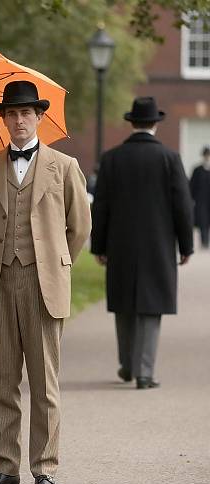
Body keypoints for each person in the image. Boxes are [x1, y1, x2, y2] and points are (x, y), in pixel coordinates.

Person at [0, 81, 91, 484]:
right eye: (11, 113)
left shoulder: (65, 165)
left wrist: (55, 262)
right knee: (3, 383)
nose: (19, 120)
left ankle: (44, 468)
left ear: (39, 117)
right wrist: (2, 255)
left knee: (44, 385)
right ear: (3, 119)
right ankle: (5, 469)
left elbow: (79, 228)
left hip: (44, 283)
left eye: (26, 113)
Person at [91, 96, 194, 390]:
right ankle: (145, 371)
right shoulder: (170, 159)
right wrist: (185, 247)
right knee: (152, 308)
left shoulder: (111, 159)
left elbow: (101, 207)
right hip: (158, 245)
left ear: (131, 122)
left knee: (123, 305)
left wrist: (98, 246)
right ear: (155, 125)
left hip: (120, 244)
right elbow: (182, 207)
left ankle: (127, 364)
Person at [189, 146, 210, 249]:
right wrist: (191, 199)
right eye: (206, 155)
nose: (207, 157)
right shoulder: (197, 170)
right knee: (203, 221)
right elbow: (192, 185)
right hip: (201, 200)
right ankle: (204, 242)